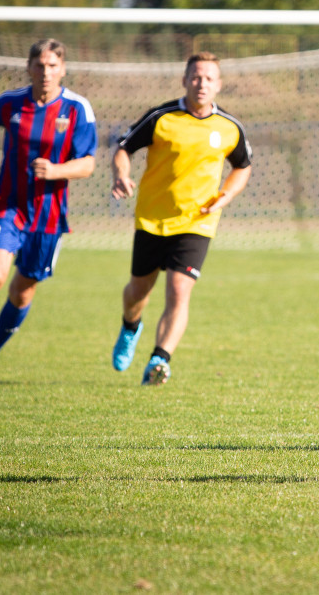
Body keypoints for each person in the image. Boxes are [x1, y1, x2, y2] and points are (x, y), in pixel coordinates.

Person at [0, 38, 98, 381]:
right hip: (9, 205)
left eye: (52, 66)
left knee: (22, 290)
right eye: (39, 65)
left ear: (63, 69)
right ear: (28, 67)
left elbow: (88, 164)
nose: (45, 72)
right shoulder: (10, 102)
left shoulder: (77, 108)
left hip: (50, 216)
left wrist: (57, 170)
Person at [110, 52, 252, 386]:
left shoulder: (229, 127)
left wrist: (226, 196)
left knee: (179, 289)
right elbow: (123, 148)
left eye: (209, 78)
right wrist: (120, 174)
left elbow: (242, 167)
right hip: (152, 219)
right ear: (184, 80)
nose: (202, 84)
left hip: (197, 223)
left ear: (218, 85)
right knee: (137, 292)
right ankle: (131, 326)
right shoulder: (161, 117)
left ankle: (160, 360)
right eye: (196, 76)